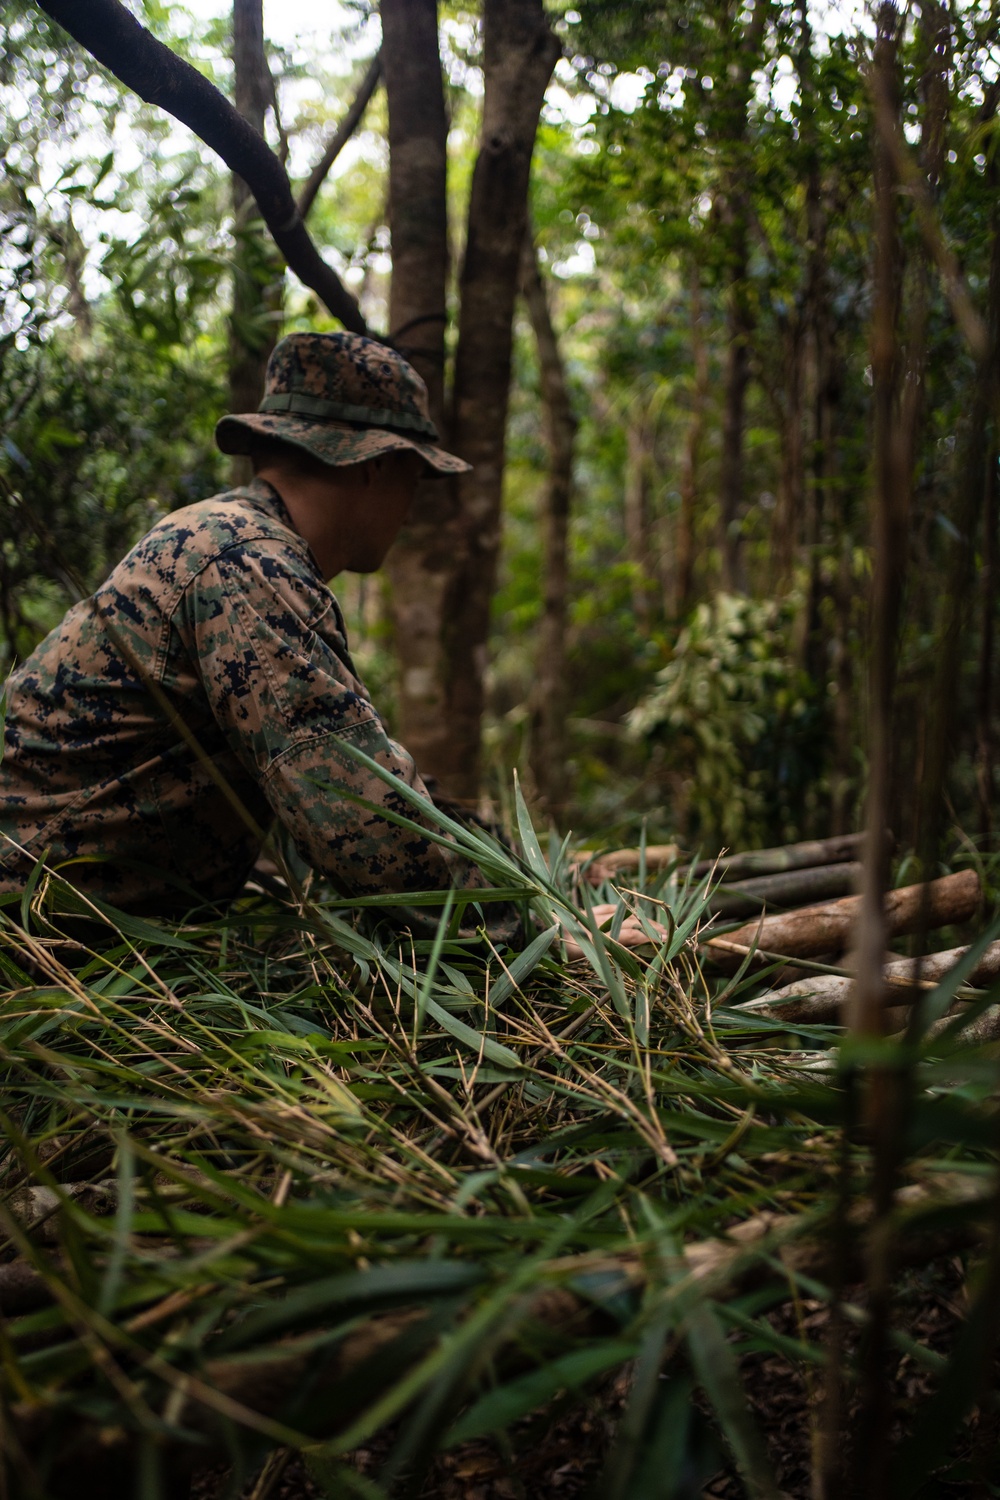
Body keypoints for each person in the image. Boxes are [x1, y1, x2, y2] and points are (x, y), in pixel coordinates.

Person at [0, 331, 508, 934]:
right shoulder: (244, 560)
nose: (411, 506)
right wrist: (531, 927)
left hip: (74, 918)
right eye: (415, 479)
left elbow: (345, 769)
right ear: (377, 465)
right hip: (35, 928)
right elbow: (358, 818)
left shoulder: (236, 544)